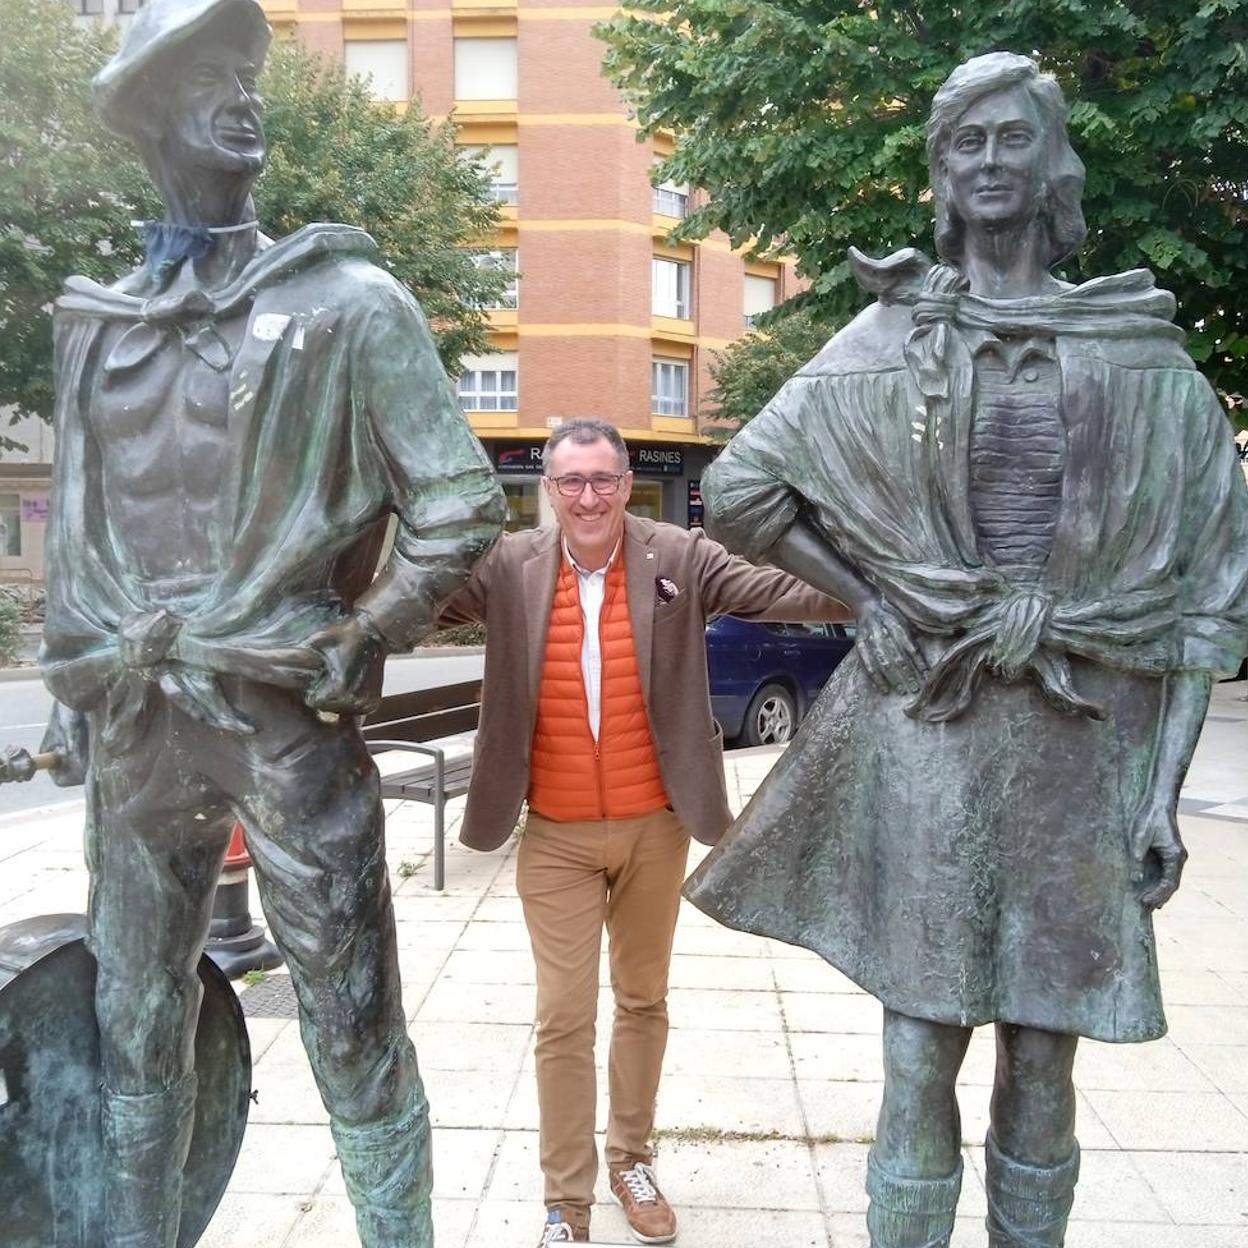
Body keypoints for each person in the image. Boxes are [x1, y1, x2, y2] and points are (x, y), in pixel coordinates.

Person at [684, 52, 1248, 1248]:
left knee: (1047, 1062)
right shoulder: (893, 334)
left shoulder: (1142, 357)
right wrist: (870, 592)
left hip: (1080, 749)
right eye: (965, 145)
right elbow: (740, 490)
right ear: (941, 175)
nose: (990, 163)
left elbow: (1203, 601)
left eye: (1012, 139)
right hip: (930, 738)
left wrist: (1164, 798)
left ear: (1053, 164)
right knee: (916, 1046)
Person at [38, 2, 504, 1245]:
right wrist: (76, 687)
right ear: (146, 113)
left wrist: (382, 622)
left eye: (249, 73)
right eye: (207, 77)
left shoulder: (350, 302)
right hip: (140, 722)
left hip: (287, 718)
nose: (244, 96)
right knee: (132, 1024)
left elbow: (458, 501)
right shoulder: (92, 326)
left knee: (352, 1023)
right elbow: (78, 536)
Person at [439, 417, 845, 1246]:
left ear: (627, 483)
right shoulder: (510, 567)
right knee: (561, 1017)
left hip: (655, 827)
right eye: (571, 482)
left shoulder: (679, 556)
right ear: (548, 491)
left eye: (603, 480)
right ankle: (567, 1201)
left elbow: (780, 590)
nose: (588, 496)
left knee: (642, 999)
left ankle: (631, 1157)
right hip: (553, 836)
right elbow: (413, 590)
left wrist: (883, 584)